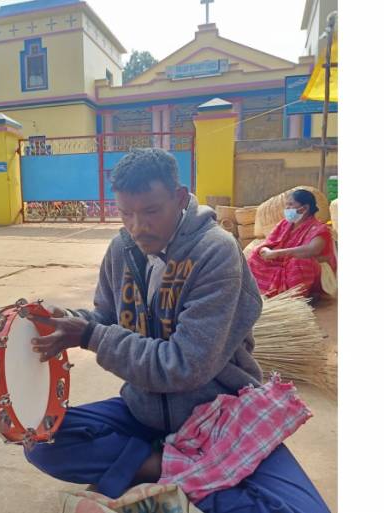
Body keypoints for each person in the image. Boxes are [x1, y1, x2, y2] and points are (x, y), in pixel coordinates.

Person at [23, 149, 329, 512]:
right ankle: (178, 470)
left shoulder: (215, 252)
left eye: (151, 211)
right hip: (144, 412)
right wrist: (70, 321)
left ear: (180, 198)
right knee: (40, 439)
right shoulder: (122, 249)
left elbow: (184, 365)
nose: (137, 226)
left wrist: (88, 336)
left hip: (220, 417)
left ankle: (167, 471)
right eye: (126, 213)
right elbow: (106, 317)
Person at [247, 189, 337, 297]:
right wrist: (264, 250)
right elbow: (270, 242)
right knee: (256, 255)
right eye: (286, 205)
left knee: (298, 263)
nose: (287, 209)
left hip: (313, 271)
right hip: (282, 261)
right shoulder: (285, 224)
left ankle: (296, 297)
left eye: (290, 205)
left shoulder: (319, 229)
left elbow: (312, 250)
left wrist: (278, 253)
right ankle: (262, 293)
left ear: (304, 208)